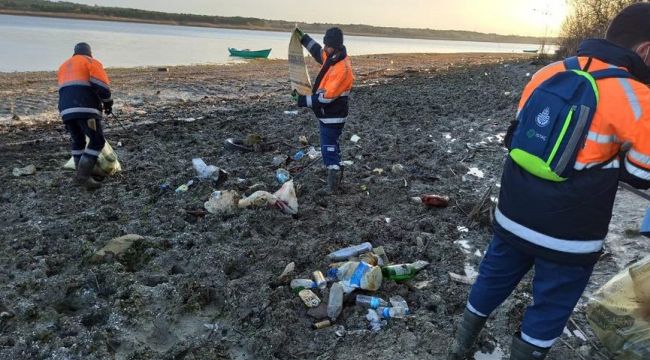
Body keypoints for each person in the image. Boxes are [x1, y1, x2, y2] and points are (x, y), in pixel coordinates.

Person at [449, 3, 650, 360]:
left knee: (492, 278)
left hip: (514, 213)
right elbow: (641, 175)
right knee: (551, 305)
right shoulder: (638, 97)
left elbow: (521, 135)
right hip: (570, 235)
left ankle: (459, 347)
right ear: (646, 51)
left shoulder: (548, 72)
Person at [292, 27, 354, 194]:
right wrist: (304, 39)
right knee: (332, 145)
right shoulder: (334, 57)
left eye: (329, 45)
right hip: (330, 115)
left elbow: (324, 99)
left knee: (328, 148)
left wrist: (301, 100)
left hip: (333, 116)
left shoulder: (341, 68)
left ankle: (333, 187)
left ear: (336, 45)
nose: (326, 48)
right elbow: (318, 52)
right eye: (326, 44)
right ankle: (337, 178)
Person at [57, 42, 113, 190]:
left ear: (74, 53)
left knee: (78, 141)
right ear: (90, 53)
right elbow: (103, 87)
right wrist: (108, 103)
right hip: (85, 108)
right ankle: (82, 177)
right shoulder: (90, 62)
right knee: (96, 141)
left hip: (65, 110)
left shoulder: (64, 66)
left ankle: (80, 174)